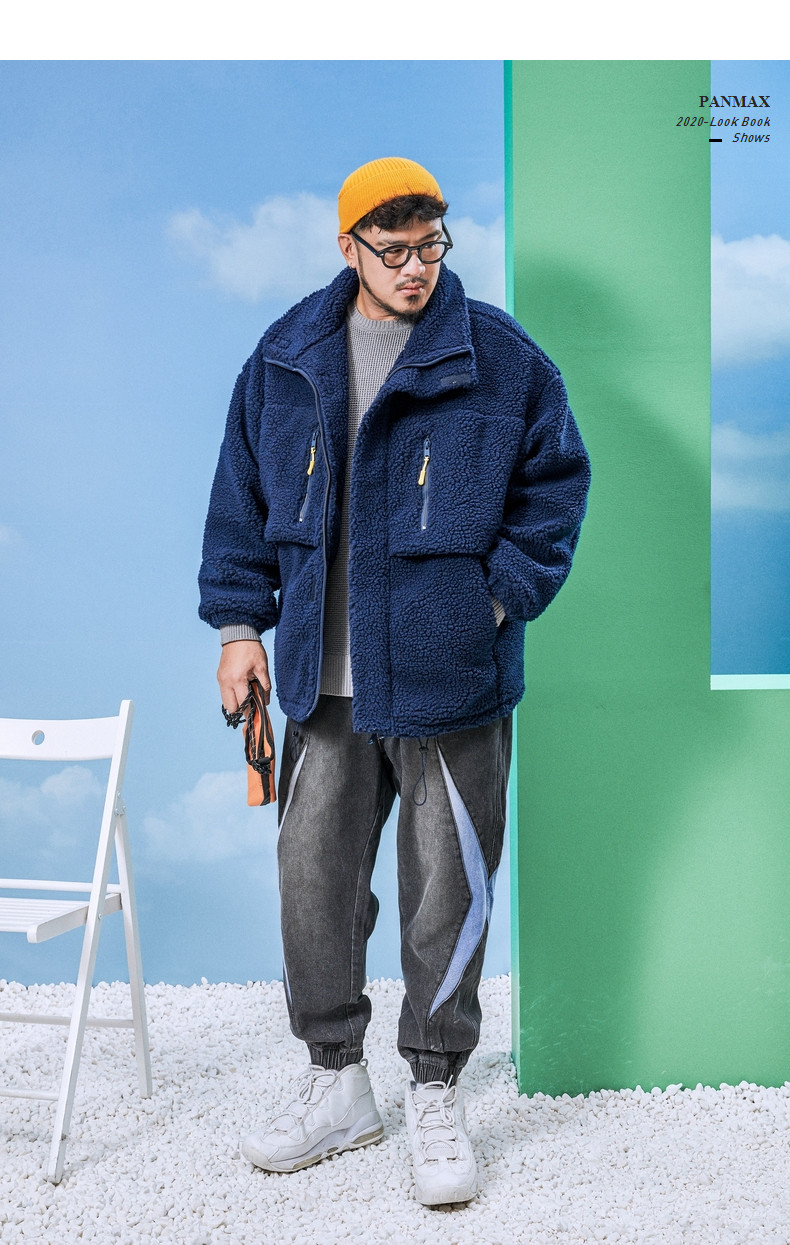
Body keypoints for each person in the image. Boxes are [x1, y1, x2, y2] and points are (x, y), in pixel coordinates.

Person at [198, 157, 590, 1205]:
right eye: (394, 250)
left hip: (448, 681)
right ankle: (337, 1082)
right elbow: (239, 499)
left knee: (445, 893)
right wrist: (238, 629)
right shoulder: (286, 358)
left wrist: (491, 602)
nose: (417, 267)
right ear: (349, 248)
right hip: (319, 687)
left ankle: (434, 1087)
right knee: (313, 883)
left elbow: (556, 489)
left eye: (431, 246)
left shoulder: (500, 359)